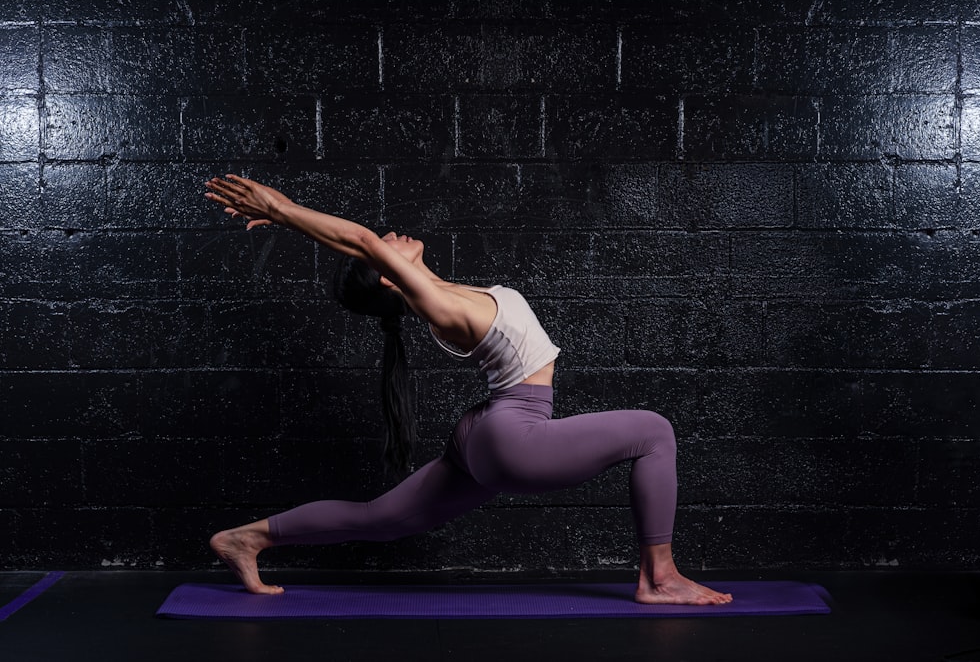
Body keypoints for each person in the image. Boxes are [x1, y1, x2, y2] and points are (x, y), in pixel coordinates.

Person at [203, 174, 733, 606]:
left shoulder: (442, 292)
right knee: (654, 431)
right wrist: (280, 209)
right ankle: (659, 577)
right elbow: (361, 241)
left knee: (381, 519)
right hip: (511, 437)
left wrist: (292, 212)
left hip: (483, 434)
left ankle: (248, 537)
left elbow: (360, 248)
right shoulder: (439, 307)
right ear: (389, 278)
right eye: (385, 250)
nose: (389, 236)